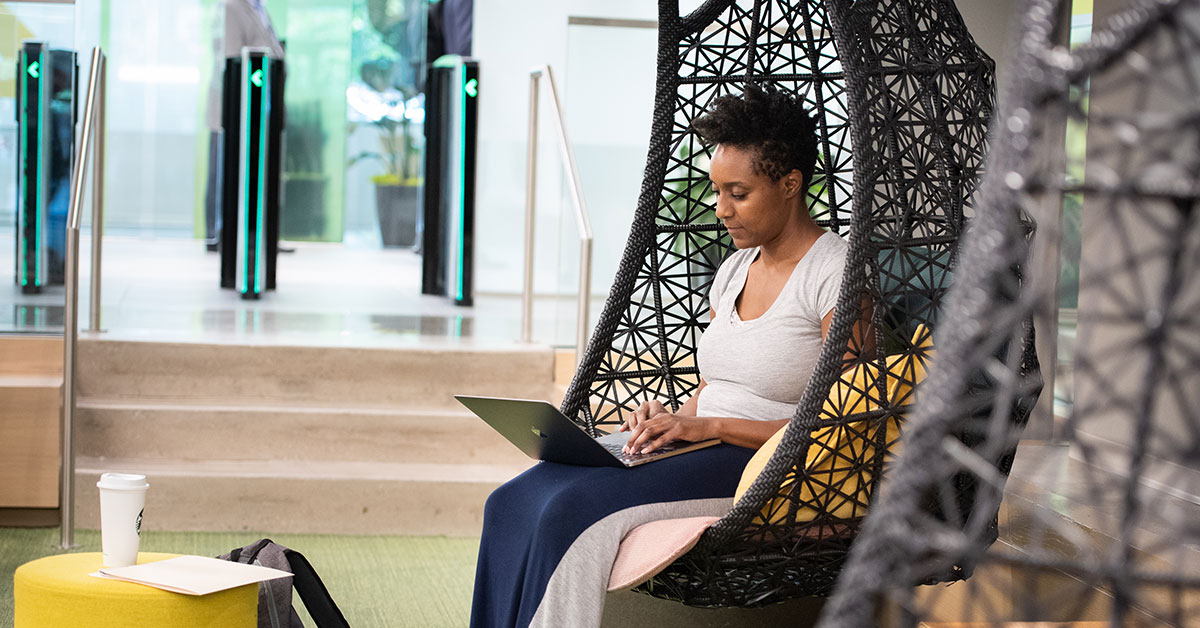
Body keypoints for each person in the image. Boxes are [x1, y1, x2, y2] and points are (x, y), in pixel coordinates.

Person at [470, 84, 851, 628]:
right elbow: (719, 384)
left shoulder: (833, 274)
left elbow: (846, 420)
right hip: (704, 444)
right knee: (509, 502)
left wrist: (709, 427)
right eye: (717, 191)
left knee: (569, 512)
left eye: (737, 193)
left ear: (790, 184)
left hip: (764, 469)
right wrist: (674, 418)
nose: (721, 209)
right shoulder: (736, 270)